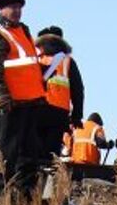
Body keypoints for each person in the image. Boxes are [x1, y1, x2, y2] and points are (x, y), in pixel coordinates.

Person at [0, 0, 46, 196]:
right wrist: (3, 99)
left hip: (28, 104)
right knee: (5, 159)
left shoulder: (22, 31)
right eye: (11, 7)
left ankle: (24, 202)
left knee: (28, 158)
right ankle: (1, 202)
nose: (16, 11)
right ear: (1, 8)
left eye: (19, 6)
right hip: (7, 108)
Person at [35, 25, 85, 159]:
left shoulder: (34, 59)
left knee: (33, 154)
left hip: (35, 111)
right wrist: (76, 116)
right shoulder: (67, 61)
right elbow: (78, 89)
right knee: (52, 156)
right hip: (58, 114)